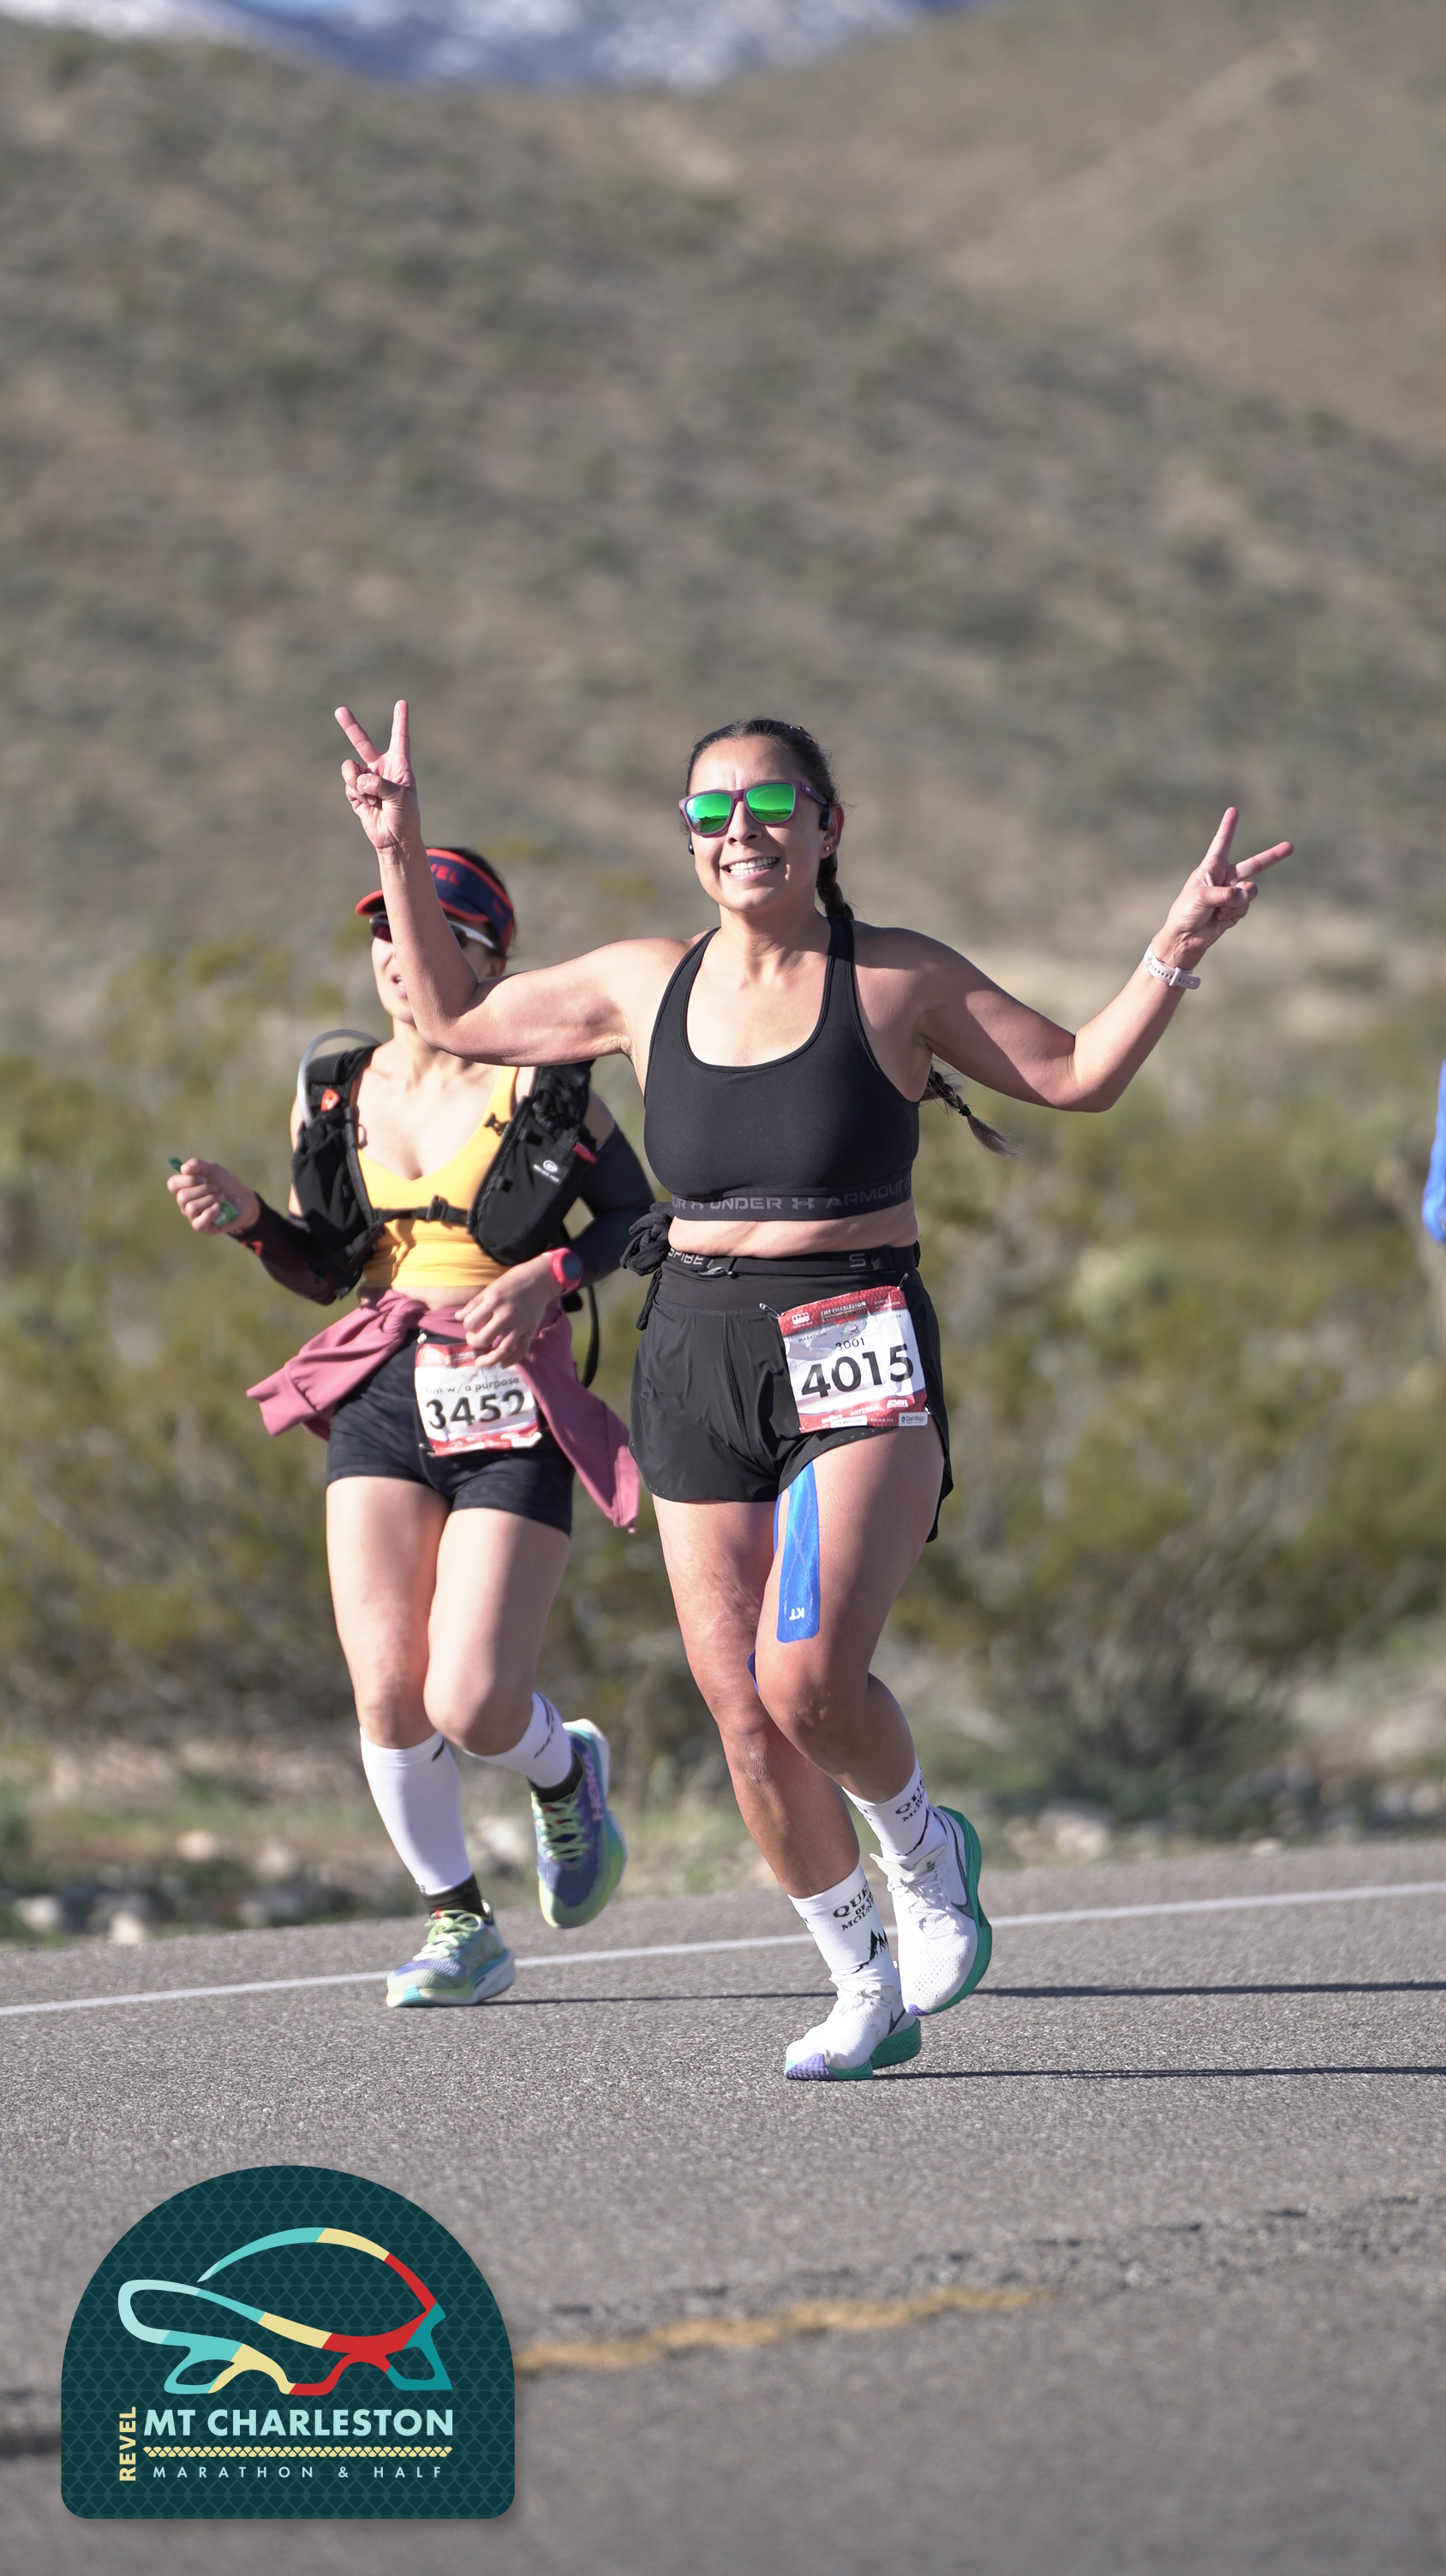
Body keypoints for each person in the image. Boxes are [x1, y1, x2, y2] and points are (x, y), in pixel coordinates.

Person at [334, 703, 1290, 2079]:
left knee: (805, 1678)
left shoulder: (896, 979)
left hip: (854, 1331)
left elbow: (1076, 1075)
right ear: (688, 838)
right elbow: (451, 1013)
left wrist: (1177, 946)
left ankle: (923, 1848)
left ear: (828, 828)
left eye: (773, 805)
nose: (744, 831)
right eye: (713, 810)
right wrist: (398, 837)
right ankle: (860, 1982)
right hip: (696, 1347)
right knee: (741, 1710)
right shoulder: (642, 983)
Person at [168, 844, 653, 2007]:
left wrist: (548, 1277)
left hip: (509, 1393)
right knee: (387, 1687)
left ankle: (563, 1771)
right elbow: (328, 1268)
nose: (400, 952)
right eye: (385, 929)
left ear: (488, 960)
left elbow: (639, 1220)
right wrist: (251, 1221)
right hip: (383, 1392)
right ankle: (458, 1924)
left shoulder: (549, 1089)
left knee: (471, 1703)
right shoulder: (334, 1088)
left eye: (434, 932)